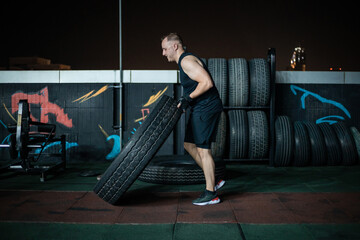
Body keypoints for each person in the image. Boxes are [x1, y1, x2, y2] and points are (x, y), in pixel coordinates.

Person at [161, 33, 225, 206]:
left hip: (207, 107)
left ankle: (211, 193)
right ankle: (214, 179)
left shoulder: (186, 61)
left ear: (175, 46)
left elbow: (207, 83)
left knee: (203, 150)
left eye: (165, 49)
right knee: (189, 145)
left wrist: (187, 99)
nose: (163, 53)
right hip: (200, 107)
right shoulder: (184, 61)